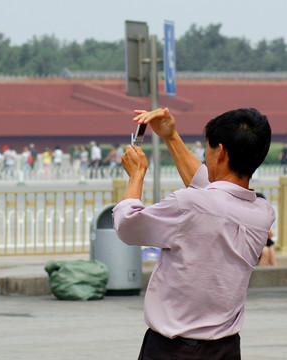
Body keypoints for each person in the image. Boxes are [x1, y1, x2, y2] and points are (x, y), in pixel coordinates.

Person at [113, 107, 274, 359]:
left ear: (220, 152)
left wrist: (137, 175)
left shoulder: (189, 204)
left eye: (207, 150)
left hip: (173, 350)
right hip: (227, 348)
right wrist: (170, 136)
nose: (204, 156)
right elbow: (212, 189)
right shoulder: (263, 213)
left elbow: (126, 225)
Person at [256, 193, 278, 266]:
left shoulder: (263, 216)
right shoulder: (253, 216)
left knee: (270, 248)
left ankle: (275, 270)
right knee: (266, 251)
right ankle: (259, 275)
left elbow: (269, 235)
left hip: (262, 241)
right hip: (255, 242)